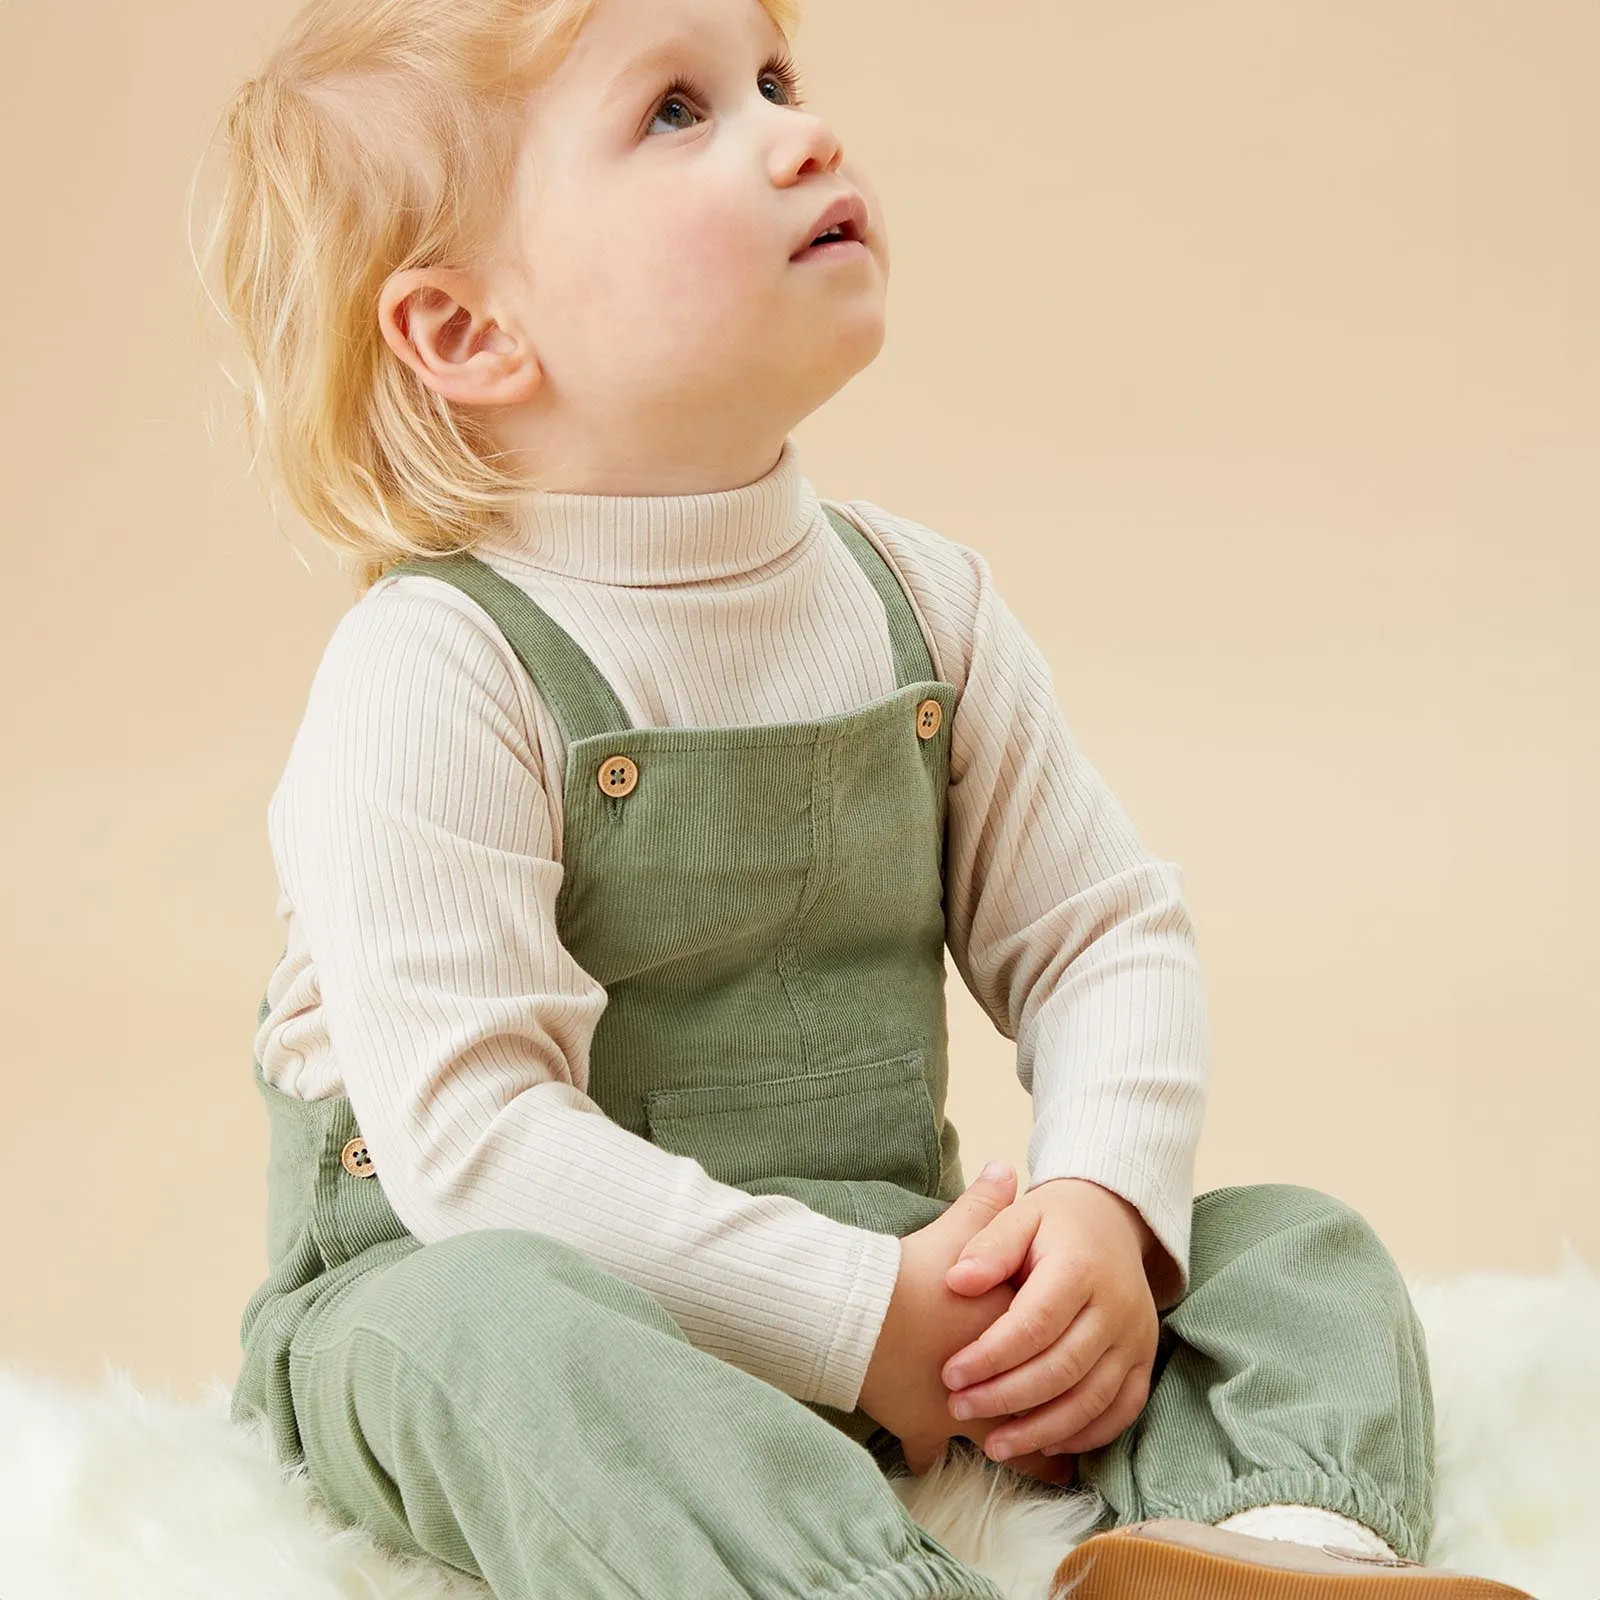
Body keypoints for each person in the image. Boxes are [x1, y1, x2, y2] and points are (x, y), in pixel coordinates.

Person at [197, 0, 1527, 1594]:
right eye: (675, 113)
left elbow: (1103, 934)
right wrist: (851, 1314)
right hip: (508, 1288)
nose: (801, 131)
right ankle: (858, 1586)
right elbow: (477, 1151)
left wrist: (1097, 1216)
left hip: (898, 1280)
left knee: (1290, 1250)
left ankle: (1272, 1546)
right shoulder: (437, 668)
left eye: (773, 80)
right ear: (474, 333)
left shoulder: (921, 603)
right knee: (483, 1338)